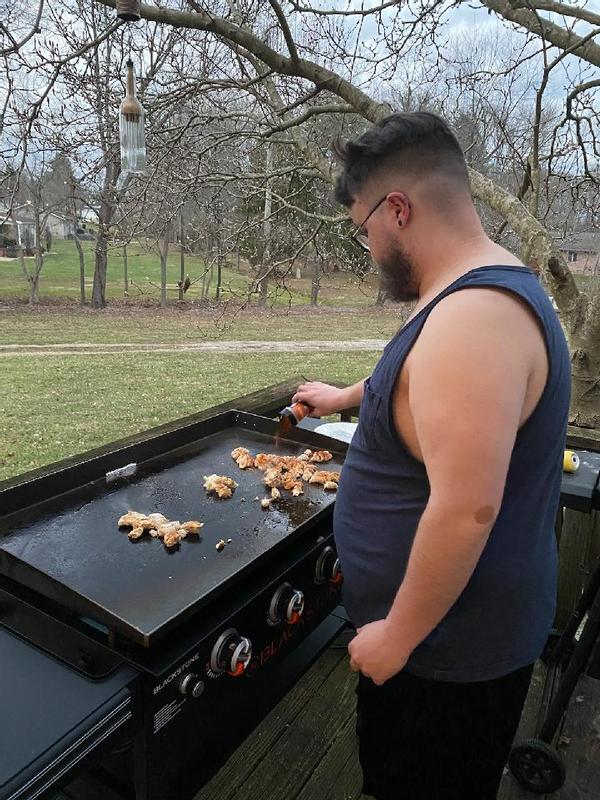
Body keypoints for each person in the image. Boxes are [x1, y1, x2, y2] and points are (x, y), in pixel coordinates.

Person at [292, 112, 571, 800]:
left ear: (399, 208)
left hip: (445, 659)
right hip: (454, 645)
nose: (367, 248)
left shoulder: (472, 322)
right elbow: (423, 386)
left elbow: (467, 508)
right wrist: (346, 396)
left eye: (364, 229)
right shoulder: (481, 288)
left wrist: (397, 636)